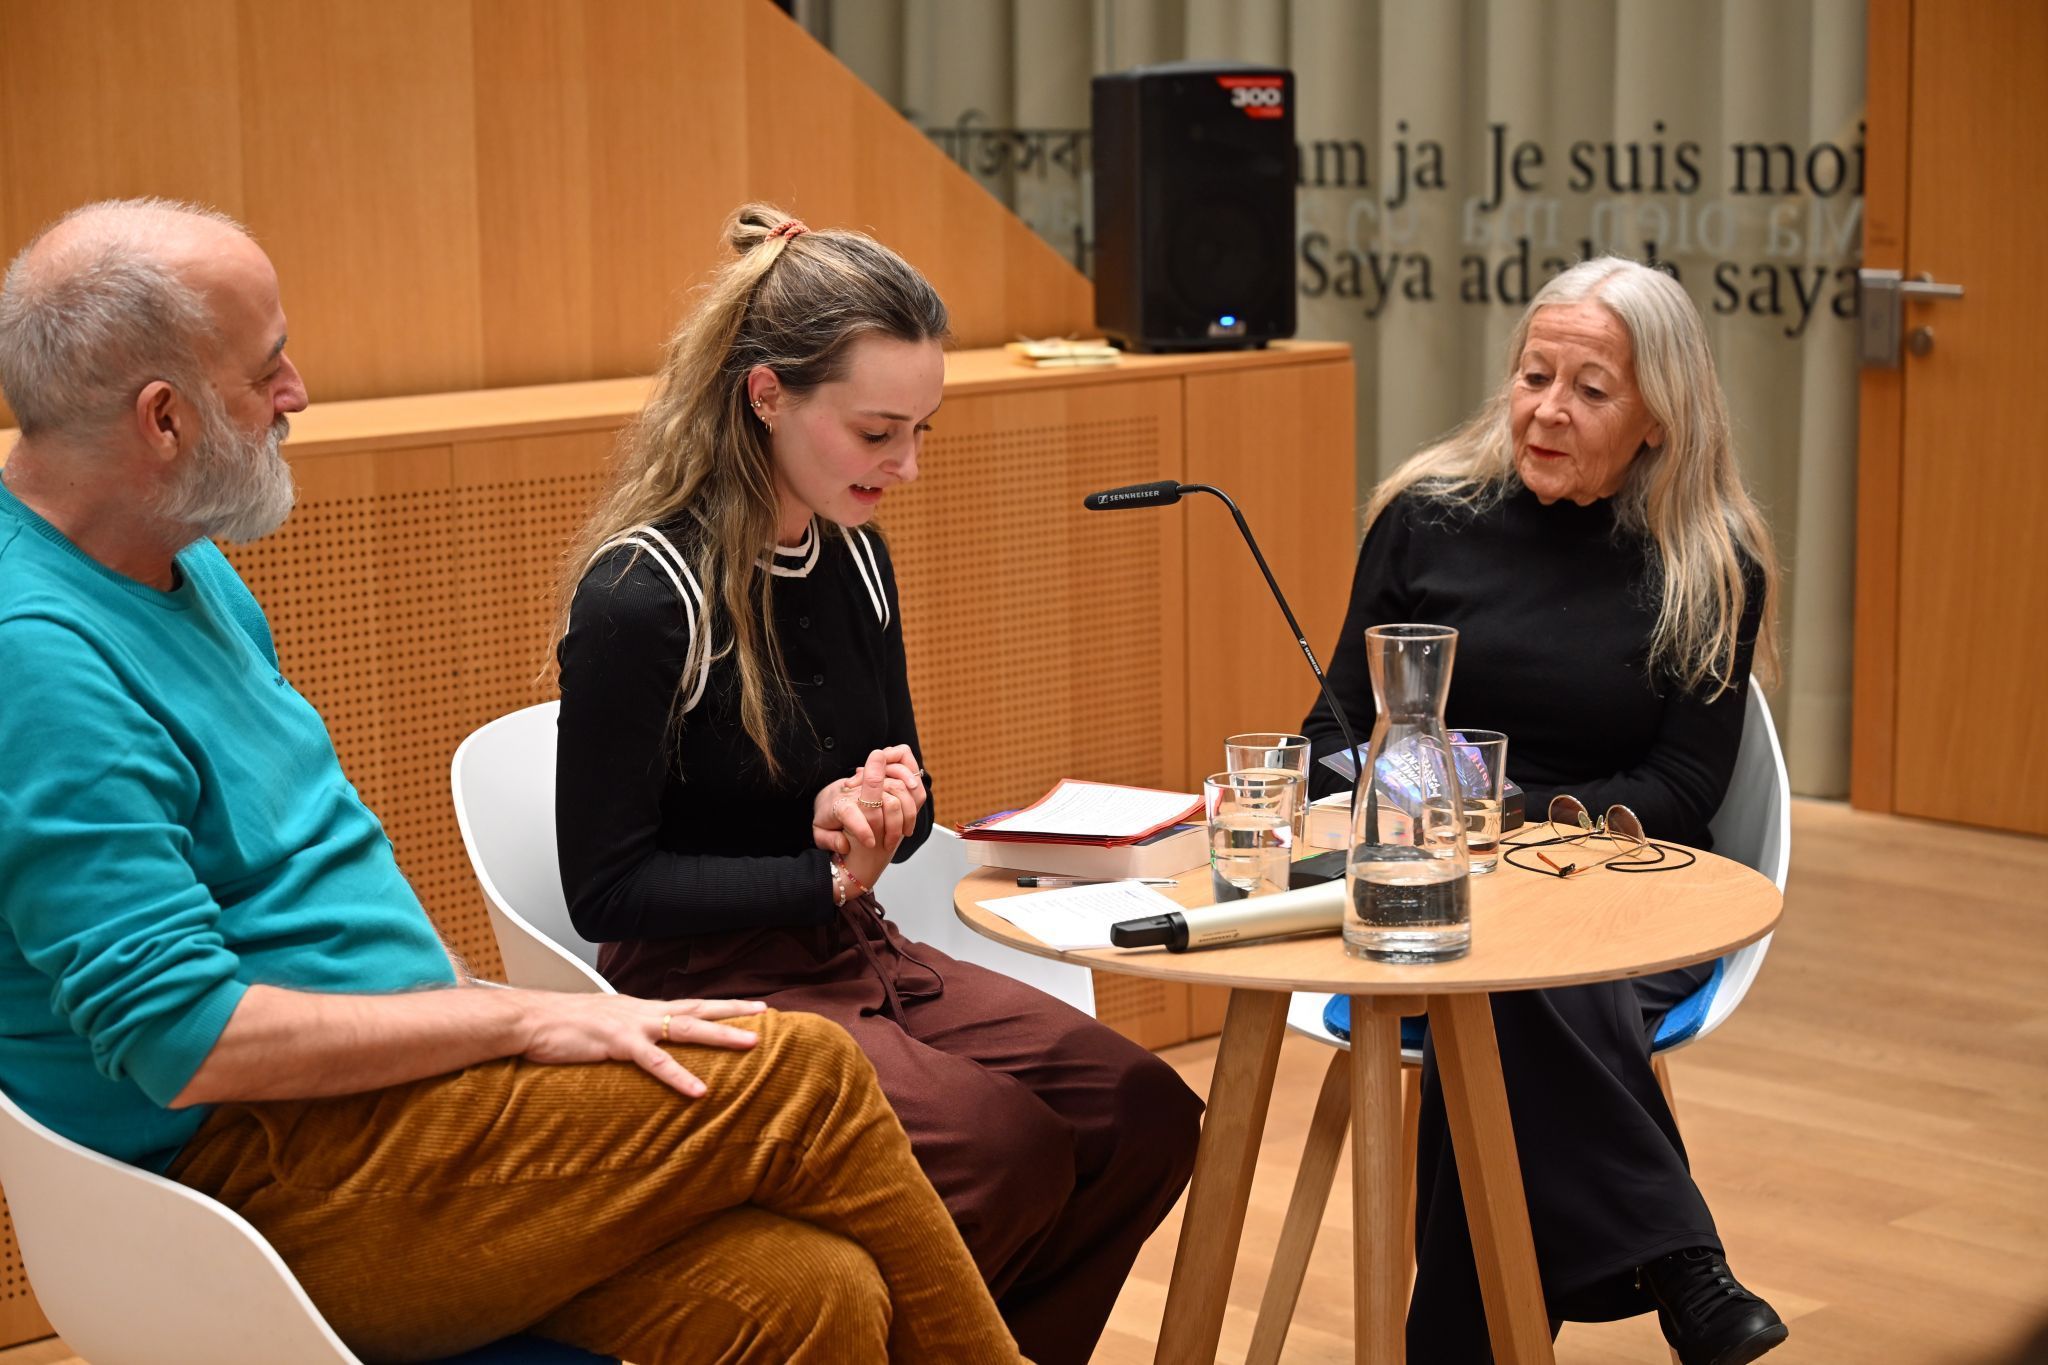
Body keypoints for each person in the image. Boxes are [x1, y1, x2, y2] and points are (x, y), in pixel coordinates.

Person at [0, 198, 1025, 1365]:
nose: (296, 394)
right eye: (267, 370)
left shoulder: (183, 567)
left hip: (397, 1108)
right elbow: (184, 1039)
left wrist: (490, 1026)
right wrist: (522, 1015)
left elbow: (317, 891)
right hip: (256, 1177)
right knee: (803, 1074)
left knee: (809, 1292)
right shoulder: (36, 656)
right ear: (165, 419)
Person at [552, 203, 1204, 1365]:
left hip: (850, 948)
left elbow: (902, 788)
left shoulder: (853, 552)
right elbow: (606, 893)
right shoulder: (642, 597)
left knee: (1141, 1114)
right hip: (707, 984)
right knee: (1006, 1151)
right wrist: (817, 869)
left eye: (920, 430)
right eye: (875, 433)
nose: (906, 465)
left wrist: (884, 809)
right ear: (765, 396)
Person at [1303, 257, 1789, 1365]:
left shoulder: (1708, 559)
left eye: (1588, 390)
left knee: (1514, 971)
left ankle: (1461, 1345)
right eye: (1532, 376)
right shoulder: (1426, 515)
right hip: (1430, 885)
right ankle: (1677, 1258)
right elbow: (1329, 729)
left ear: (1657, 418)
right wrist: (1398, 802)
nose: (1545, 410)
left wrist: (1511, 823)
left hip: (1624, 896)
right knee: (1503, 962)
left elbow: (1679, 793)